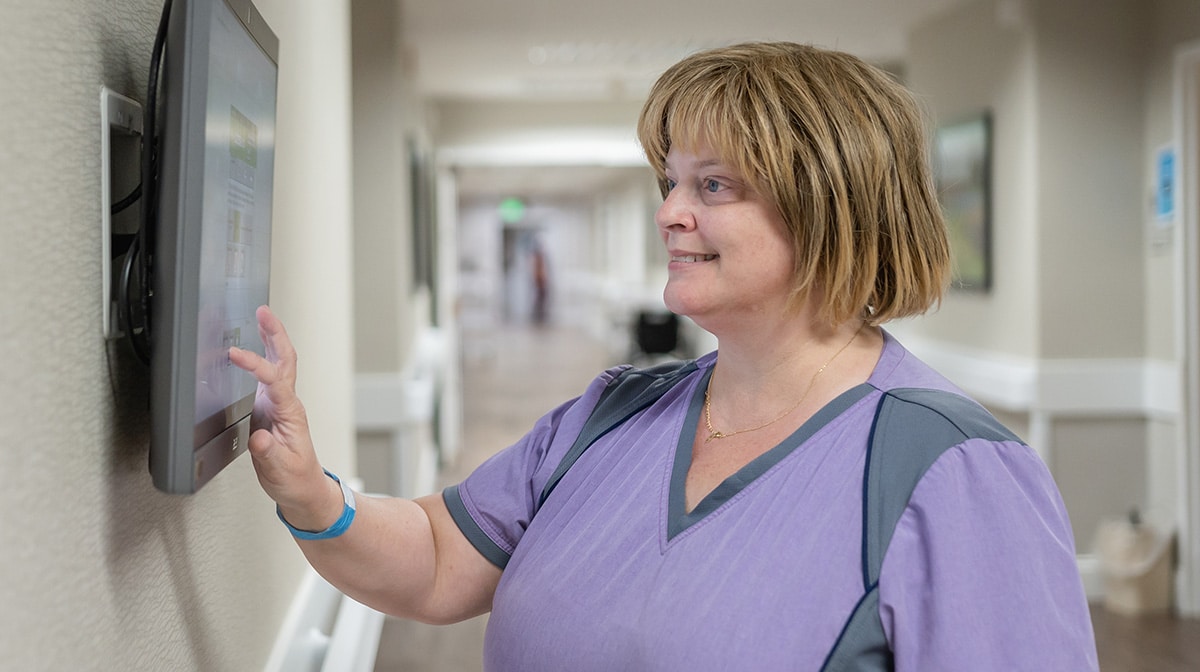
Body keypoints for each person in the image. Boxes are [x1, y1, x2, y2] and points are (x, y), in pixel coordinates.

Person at [230, 41, 1099, 670]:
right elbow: (434, 557)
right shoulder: (612, 415)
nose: (670, 212)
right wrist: (311, 491)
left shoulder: (953, 471)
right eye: (669, 182)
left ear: (829, 206)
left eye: (712, 185)